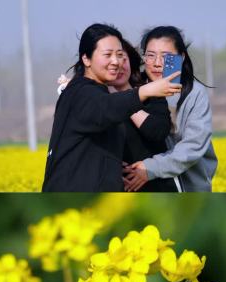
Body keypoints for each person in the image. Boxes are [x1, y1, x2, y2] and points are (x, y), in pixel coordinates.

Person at [42, 23, 180, 192]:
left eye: (120, 55)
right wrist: (146, 90)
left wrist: (111, 163)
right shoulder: (81, 92)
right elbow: (106, 108)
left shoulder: (95, 91)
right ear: (86, 58)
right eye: (108, 55)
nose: (116, 62)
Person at [123, 26, 217, 192]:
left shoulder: (194, 94)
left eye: (166, 57)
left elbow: (193, 145)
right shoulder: (134, 91)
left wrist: (151, 168)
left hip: (190, 186)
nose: (157, 63)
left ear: (181, 57)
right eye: (150, 56)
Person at [108, 39, 178, 191]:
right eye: (113, 60)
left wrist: (127, 98)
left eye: (123, 59)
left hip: (158, 186)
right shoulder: (99, 101)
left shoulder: (152, 92)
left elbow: (158, 132)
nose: (118, 65)